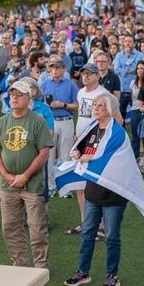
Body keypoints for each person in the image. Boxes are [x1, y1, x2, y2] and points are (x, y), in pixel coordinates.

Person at [63, 93, 129, 286]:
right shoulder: (92, 128)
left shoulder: (118, 132)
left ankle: (112, 276)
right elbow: (81, 147)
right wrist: (76, 152)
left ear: (110, 108)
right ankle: (82, 272)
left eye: (101, 105)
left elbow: (105, 156)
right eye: (95, 105)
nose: (97, 108)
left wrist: (85, 156)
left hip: (113, 194)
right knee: (87, 232)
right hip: (93, 191)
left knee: (111, 235)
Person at [0, 78, 54, 268]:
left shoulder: (37, 121)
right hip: (7, 185)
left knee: (36, 229)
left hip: (32, 185)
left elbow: (44, 153)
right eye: (12, 94)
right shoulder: (2, 121)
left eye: (19, 94)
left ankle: (40, 267)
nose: (14, 98)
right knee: (10, 227)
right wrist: (6, 176)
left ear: (29, 97)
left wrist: (25, 176)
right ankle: (19, 265)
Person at [41, 58, 79, 196]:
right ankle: (51, 187)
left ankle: (66, 188)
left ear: (63, 69)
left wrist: (63, 105)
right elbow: (39, 103)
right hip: (50, 121)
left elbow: (77, 105)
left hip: (66, 120)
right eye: (53, 68)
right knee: (49, 155)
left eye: (57, 67)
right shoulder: (44, 84)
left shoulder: (71, 85)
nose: (55, 70)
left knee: (65, 155)